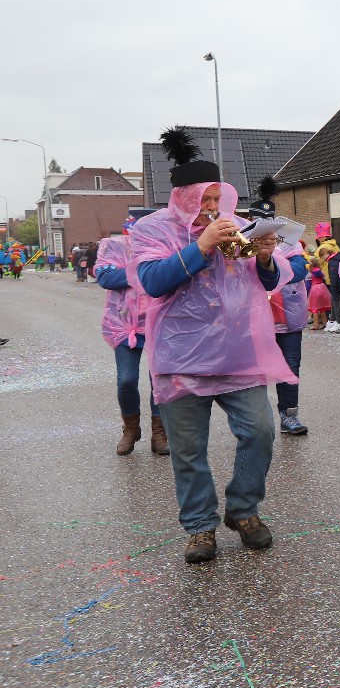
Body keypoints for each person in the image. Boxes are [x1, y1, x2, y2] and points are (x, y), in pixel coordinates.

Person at [131, 127, 295, 564]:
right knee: (188, 451)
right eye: (205, 199)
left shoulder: (237, 226)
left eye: (217, 198)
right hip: (181, 357)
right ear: (183, 197)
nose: (212, 207)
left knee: (260, 431)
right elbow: (151, 282)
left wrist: (265, 256)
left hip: (238, 352)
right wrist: (201, 246)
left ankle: (243, 509)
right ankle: (200, 526)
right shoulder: (151, 229)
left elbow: (268, 281)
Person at [95, 215, 166, 455]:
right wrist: (142, 272)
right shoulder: (114, 247)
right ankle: (131, 430)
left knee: (159, 380)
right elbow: (105, 277)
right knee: (126, 379)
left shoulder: (163, 246)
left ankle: (159, 432)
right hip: (123, 324)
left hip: (159, 322)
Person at [247, 179, 312, 437]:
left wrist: (271, 261)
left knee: (290, 367)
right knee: (253, 369)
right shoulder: (241, 240)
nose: (265, 223)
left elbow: (300, 269)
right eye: (259, 219)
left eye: (269, 219)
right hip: (253, 319)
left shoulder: (289, 243)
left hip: (287, 317)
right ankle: (256, 419)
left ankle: (289, 415)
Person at [313, 224, 340, 332]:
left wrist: (308, 260)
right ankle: (332, 321)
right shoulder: (336, 246)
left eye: (320, 237)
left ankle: (338, 322)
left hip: (329, 276)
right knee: (334, 300)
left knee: (334, 301)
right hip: (336, 276)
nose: (318, 238)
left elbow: (316, 262)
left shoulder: (322, 248)